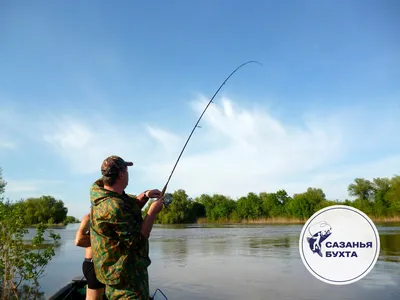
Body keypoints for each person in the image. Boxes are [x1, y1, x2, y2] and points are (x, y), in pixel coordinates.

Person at [89, 155, 165, 300]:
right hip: (125, 281)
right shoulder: (113, 206)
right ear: (122, 174)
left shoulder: (107, 197)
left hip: (120, 276)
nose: (128, 175)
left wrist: (145, 195)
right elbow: (137, 241)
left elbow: (128, 206)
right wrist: (152, 212)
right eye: (127, 171)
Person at [74, 213, 105, 300]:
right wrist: (100, 242)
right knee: (93, 298)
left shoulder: (110, 215)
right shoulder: (89, 217)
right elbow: (78, 241)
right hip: (93, 264)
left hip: (104, 265)